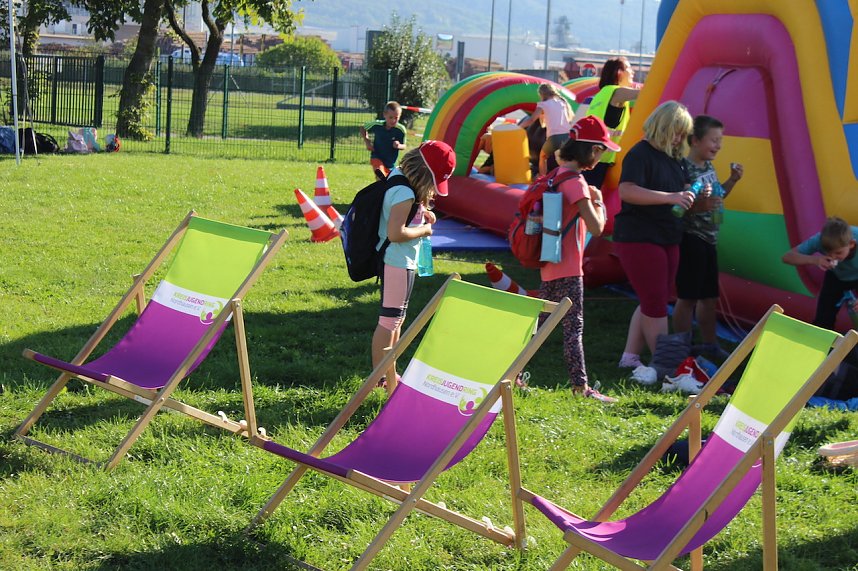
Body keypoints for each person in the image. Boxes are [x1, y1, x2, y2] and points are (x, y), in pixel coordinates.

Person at [539, 115, 619, 402]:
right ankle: (581, 387)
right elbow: (598, 227)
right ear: (591, 150)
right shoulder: (576, 183)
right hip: (570, 267)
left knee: (539, 324)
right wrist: (598, 201)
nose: (601, 156)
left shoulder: (555, 174)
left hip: (548, 258)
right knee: (573, 328)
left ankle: (508, 372)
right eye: (601, 150)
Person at [613, 100, 695, 370]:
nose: (680, 138)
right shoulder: (640, 153)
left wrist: (694, 196)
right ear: (663, 126)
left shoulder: (675, 158)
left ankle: (630, 356)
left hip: (667, 236)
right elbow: (627, 191)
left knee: (653, 298)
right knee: (655, 302)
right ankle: (668, 366)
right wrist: (671, 197)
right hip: (639, 236)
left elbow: (679, 192)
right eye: (677, 131)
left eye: (683, 133)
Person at [371, 140, 456, 393]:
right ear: (424, 173)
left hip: (402, 260)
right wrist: (425, 229)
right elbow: (396, 233)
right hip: (396, 261)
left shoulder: (401, 178)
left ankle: (389, 371)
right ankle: (380, 378)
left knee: (397, 319)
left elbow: (402, 217)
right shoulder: (405, 192)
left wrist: (422, 213)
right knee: (389, 322)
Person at [673, 115, 744, 360]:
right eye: (713, 140)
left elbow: (717, 196)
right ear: (694, 141)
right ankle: (682, 345)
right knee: (688, 297)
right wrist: (700, 206)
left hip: (709, 240)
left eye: (720, 140)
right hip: (692, 238)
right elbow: (680, 205)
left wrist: (732, 180)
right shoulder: (684, 168)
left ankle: (710, 344)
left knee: (709, 298)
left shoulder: (708, 168)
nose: (718, 145)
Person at [782, 216, 858, 330]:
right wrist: (816, 260)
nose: (833, 257)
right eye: (829, 252)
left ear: (852, 244)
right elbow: (787, 257)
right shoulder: (819, 240)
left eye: (838, 252)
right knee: (823, 319)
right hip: (836, 277)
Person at [583, 56, 641, 189]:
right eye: (629, 68)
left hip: (590, 154)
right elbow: (645, 93)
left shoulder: (602, 94)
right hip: (600, 158)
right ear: (619, 72)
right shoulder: (616, 92)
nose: (633, 72)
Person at [519, 83, 573, 176]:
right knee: (564, 160)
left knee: (543, 157)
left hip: (554, 137)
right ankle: (565, 178)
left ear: (542, 94)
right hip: (567, 137)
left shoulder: (543, 104)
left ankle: (542, 179)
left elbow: (531, 119)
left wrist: (519, 127)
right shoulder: (562, 102)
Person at [360, 101, 407, 177]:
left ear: (400, 116)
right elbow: (363, 127)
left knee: (386, 181)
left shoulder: (401, 130)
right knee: (380, 175)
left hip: (390, 163)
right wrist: (367, 141)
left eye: (396, 118)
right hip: (376, 156)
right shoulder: (377, 125)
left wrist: (398, 145)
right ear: (384, 115)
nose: (393, 120)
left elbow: (404, 146)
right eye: (390, 117)